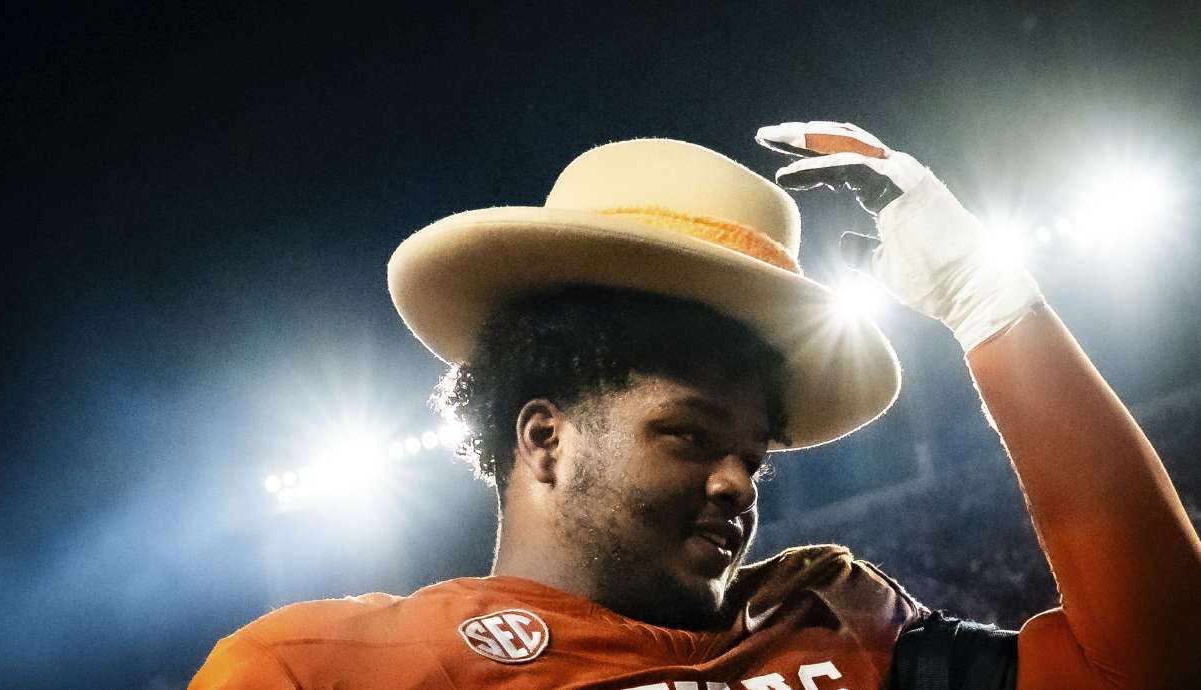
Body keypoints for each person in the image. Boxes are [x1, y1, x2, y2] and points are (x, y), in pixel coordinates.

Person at [189, 122, 1201, 689]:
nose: (736, 485)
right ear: (543, 438)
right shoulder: (319, 672)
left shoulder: (836, 624)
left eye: (755, 457)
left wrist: (994, 307)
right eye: (687, 436)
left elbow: (1149, 671)